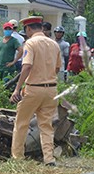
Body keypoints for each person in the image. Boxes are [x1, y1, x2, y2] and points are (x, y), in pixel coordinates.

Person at [10, 16, 61, 166]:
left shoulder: (30, 43)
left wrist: (17, 89)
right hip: (51, 89)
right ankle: (49, 158)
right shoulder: (54, 44)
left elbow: (26, 66)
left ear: (29, 29)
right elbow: (57, 68)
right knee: (46, 126)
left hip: (33, 89)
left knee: (21, 123)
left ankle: (18, 157)